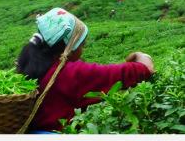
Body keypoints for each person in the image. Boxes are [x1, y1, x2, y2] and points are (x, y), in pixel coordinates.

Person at [16, 8, 154, 133]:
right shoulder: (69, 73)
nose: (83, 49)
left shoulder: (29, 63)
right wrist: (142, 57)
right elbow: (138, 70)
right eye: (82, 44)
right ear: (69, 47)